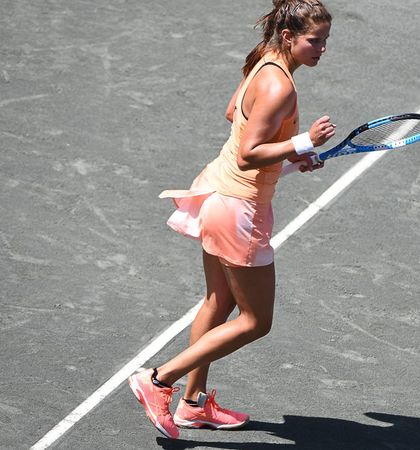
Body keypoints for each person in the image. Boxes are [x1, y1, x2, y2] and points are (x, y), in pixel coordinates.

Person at [127, 0, 335, 439]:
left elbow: (235, 118)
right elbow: (249, 153)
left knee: (218, 304)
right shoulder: (282, 89)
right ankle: (158, 380)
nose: (321, 49)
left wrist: (296, 159)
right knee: (255, 321)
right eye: (314, 41)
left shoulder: (263, 63)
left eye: (325, 41)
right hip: (240, 210)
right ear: (289, 37)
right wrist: (302, 140)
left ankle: (192, 403)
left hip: (218, 195)